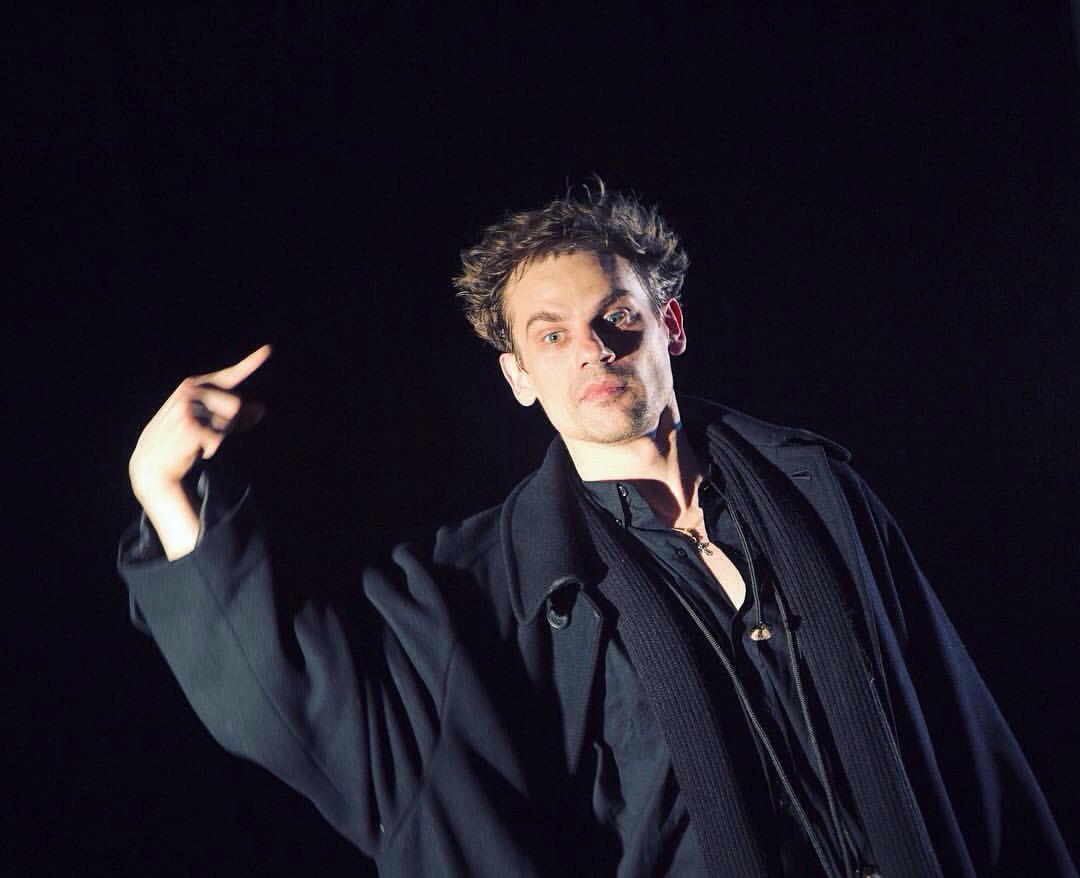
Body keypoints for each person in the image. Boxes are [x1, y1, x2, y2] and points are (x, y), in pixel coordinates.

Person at [119, 184, 1075, 877]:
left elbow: (967, 744)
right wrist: (163, 491)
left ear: (670, 326)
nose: (592, 349)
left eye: (616, 317)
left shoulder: (817, 492)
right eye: (550, 334)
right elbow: (305, 711)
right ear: (518, 377)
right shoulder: (483, 591)